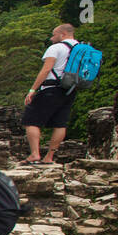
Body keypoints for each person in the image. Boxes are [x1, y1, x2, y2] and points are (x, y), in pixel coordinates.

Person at [23, 23, 79, 165]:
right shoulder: (80, 49)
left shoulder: (56, 48)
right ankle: (49, 157)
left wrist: (32, 90)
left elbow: (46, 69)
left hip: (51, 88)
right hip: (70, 89)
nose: (52, 38)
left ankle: (35, 154)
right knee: (60, 123)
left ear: (63, 34)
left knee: (31, 120)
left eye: (54, 34)